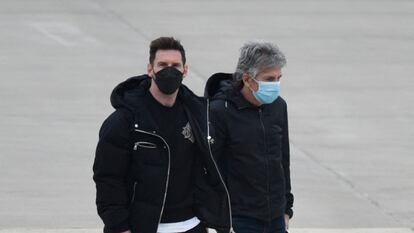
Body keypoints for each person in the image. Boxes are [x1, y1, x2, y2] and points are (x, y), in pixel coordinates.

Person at [93, 37, 232, 233]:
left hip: (192, 225)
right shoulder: (124, 120)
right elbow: (108, 178)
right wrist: (119, 226)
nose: (169, 70)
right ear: (150, 69)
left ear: (185, 70)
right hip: (144, 227)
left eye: (176, 65)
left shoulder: (199, 113)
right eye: (162, 65)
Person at [204, 41, 294, 233]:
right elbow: (211, 167)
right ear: (247, 79)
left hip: (276, 218)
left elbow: (283, 160)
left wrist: (286, 208)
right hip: (239, 220)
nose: (276, 85)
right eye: (269, 79)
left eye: (279, 78)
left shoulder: (279, 106)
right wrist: (218, 219)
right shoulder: (219, 111)